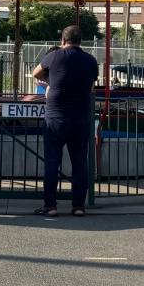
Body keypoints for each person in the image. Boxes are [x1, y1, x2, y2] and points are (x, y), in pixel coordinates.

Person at [32, 25, 98, 217]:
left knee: (52, 162)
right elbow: (91, 87)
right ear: (81, 41)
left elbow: (36, 73)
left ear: (62, 40)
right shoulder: (91, 60)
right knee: (80, 163)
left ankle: (50, 206)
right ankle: (78, 206)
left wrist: (52, 81)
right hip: (81, 117)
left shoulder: (54, 56)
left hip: (56, 117)